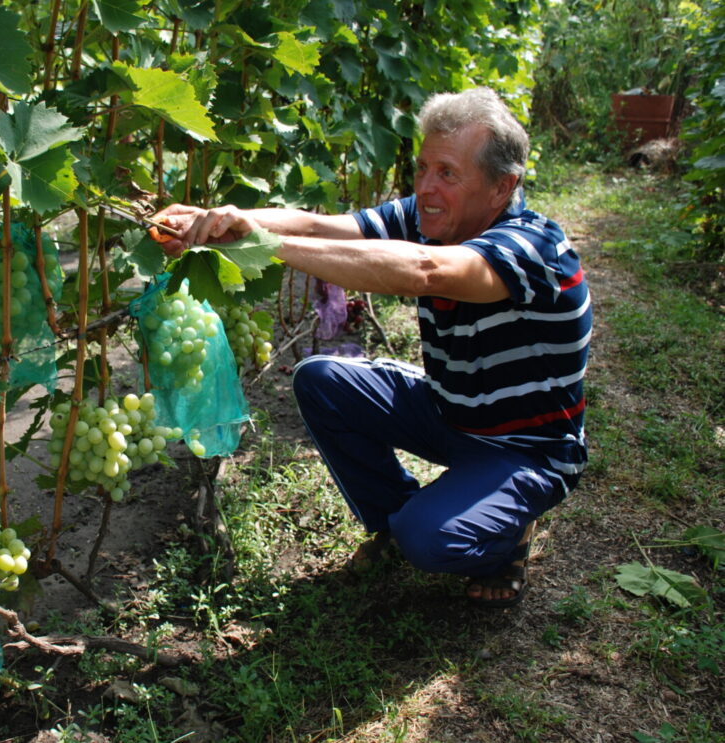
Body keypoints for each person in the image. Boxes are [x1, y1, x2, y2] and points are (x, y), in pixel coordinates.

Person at [152, 87, 591, 608]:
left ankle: (504, 543)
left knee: (431, 539)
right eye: (422, 167)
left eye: (447, 173)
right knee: (321, 381)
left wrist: (262, 244)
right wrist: (223, 221)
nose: (426, 187)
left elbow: (425, 272)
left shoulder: (533, 248)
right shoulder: (436, 215)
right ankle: (393, 518)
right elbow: (324, 227)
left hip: (525, 450)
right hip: (452, 413)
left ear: (503, 187)